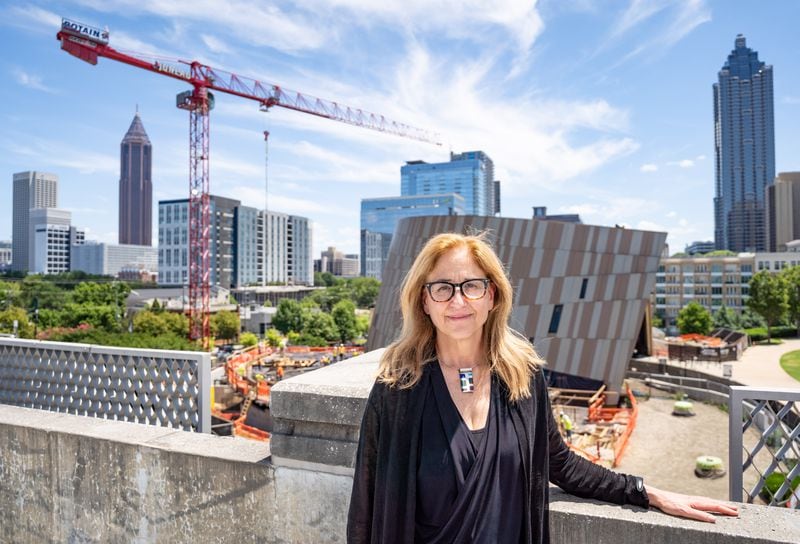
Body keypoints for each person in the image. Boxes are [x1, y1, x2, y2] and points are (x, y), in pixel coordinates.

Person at [347, 232, 738, 543]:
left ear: (493, 295)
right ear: (424, 301)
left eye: (472, 285)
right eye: (443, 288)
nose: (458, 300)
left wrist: (646, 492)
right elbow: (365, 504)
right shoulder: (398, 386)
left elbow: (560, 463)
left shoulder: (522, 376)